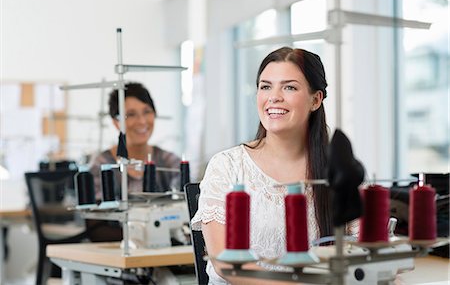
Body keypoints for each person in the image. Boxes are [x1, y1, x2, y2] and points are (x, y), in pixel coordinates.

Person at [191, 47, 344, 284]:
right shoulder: (228, 167)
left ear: (316, 100)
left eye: (289, 87)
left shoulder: (339, 172)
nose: (274, 96)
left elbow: (365, 253)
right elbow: (225, 262)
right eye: (265, 86)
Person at [88, 82, 181, 241]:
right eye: (131, 114)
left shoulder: (171, 163)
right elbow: (96, 230)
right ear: (116, 122)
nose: (142, 121)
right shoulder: (102, 165)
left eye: (147, 112)